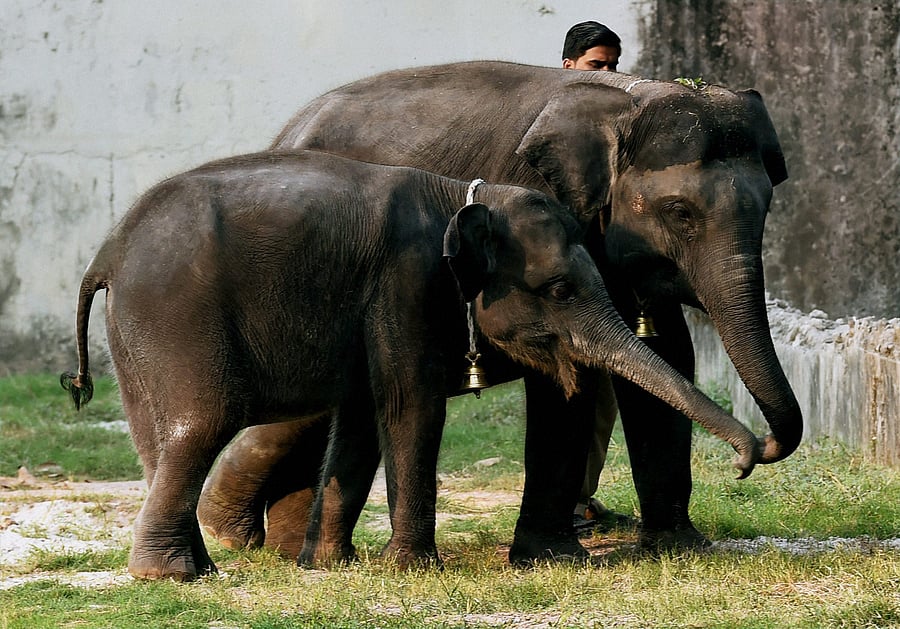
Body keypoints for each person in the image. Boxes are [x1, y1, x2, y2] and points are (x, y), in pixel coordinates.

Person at [561, 21, 635, 535]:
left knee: (601, 398)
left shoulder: (620, 120)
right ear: (568, 67)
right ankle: (559, 503)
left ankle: (577, 498)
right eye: (596, 65)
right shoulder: (551, 119)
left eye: (613, 65)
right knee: (570, 400)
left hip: (602, 283)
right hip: (556, 288)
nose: (607, 75)